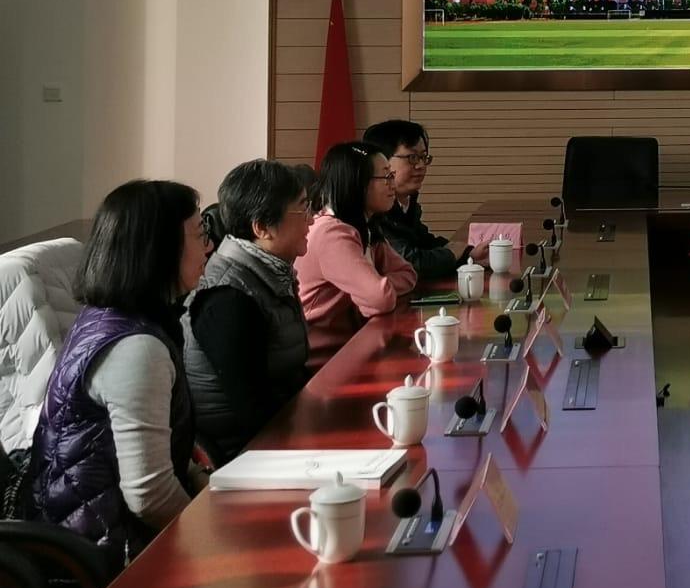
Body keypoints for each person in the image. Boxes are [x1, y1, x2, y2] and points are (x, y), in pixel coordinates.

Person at [29, 181, 209, 560]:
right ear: (159, 249)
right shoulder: (136, 349)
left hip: (93, 531)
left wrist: (199, 477)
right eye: (198, 234)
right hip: (107, 554)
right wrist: (212, 531)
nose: (208, 246)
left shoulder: (106, 316)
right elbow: (150, 495)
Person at [182, 160, 312, 464]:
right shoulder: (228, 297)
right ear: (262, 227)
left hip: (283, 430)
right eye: (303, 209)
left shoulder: (268, 272)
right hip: (243, 453)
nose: (312, 219)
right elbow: (254, 411)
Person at [295, 141, 417, 326]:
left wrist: (376, 284)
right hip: (323, 342)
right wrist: (373, 288)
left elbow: (407, 274)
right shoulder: (332, 234)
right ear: (357, 184)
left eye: (391, 175)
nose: (393, 184)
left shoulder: (365, 226)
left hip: (352, 336)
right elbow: (379, 299)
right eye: (386, 177)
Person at [362, 119, 485, 279]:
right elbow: (409, 263)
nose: (421, 166)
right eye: (412, 158)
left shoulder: (405, 201)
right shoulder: (373, 207)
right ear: (381, 161)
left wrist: (469, 254)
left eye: (424, 157)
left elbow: (422, 242)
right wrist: (452, 252)